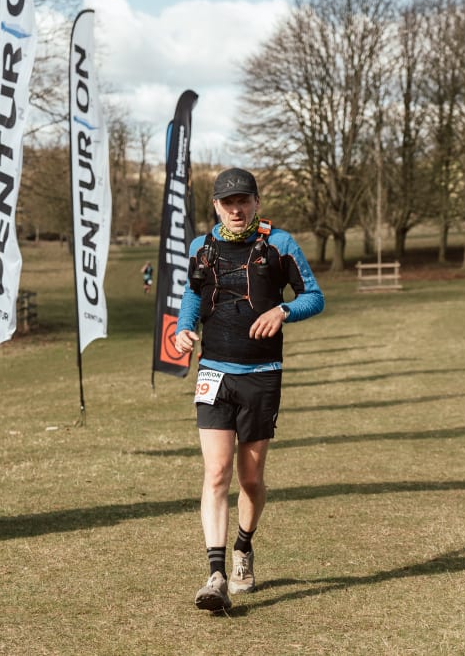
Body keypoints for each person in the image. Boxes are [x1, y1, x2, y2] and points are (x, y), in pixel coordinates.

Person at [172, 167, 324, 612]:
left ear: (257, 202)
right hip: (213, 372)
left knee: (250, 479)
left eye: (243, 201)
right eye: (228, 202)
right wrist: (183, 328)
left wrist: (283, 311)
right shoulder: (201, 247)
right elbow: (193, 294)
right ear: (216, 206)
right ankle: (215, 574)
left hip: (261, 373)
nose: (236, 209)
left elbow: (314, 296)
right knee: (216, 473)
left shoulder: (280, 244)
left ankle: (244, 546)